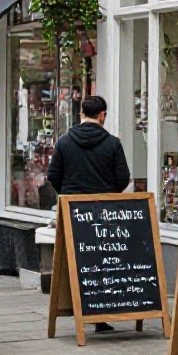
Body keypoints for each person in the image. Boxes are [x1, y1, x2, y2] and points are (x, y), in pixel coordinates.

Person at [47, 94, 130, 333]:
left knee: (76, 259)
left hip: (73, 210)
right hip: (104, 212)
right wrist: (108, 193)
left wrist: (68, 193)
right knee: (102, 261)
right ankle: (99, 314)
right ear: (102, 115)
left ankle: (77, 306)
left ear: (81, 114)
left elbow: (53, 175)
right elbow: (123, 178)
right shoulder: (113, 143)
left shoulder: (64, 142)